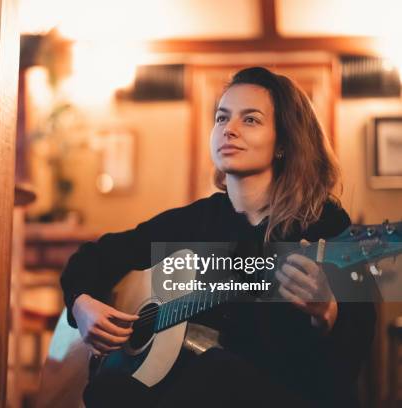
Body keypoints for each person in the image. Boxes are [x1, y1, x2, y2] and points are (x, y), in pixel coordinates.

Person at [60, 67, 375, 407]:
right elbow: (95, 257)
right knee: (107, 390)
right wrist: (82, 304)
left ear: (284, 142)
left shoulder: (322, 224)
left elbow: (349, 362)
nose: (230, 130)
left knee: (214, 369)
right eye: (222, 118)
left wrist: (327, 311)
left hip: (290, 393)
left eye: (250, 120)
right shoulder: (195, 222)